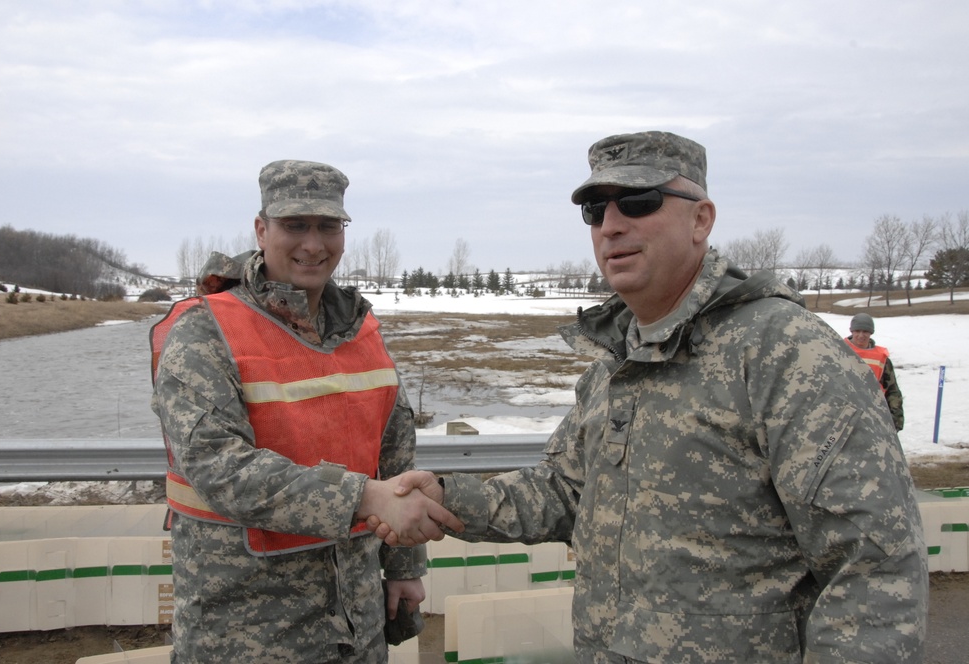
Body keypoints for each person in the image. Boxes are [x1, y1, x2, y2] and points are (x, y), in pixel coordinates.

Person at [372, 132, 928, 662]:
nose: (611, 226)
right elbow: (565, 492)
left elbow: (873, 569)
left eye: (638, 202)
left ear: (701, 219)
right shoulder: (620, 360)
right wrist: (445, 497)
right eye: (596, 211)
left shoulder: (785, 353)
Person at [151, 159, 461, 663]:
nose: (313, 245)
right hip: (247, 627)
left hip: (357, 619)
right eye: (295, 226)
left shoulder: (360, 331)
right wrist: (363, 498)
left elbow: (395, 453)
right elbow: (217, 465)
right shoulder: (205, 332)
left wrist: (404, 565)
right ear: (261, 229)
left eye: (328, 227)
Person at [845, 312, 905, 430]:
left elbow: (892, 390)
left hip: (872, 415)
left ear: (871, 333)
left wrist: (896, 420)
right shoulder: (839, 350)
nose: (861, 335)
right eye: (857, 331)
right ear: (851, 331)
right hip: (845, 415)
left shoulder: (881, 358)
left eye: (865, 331)